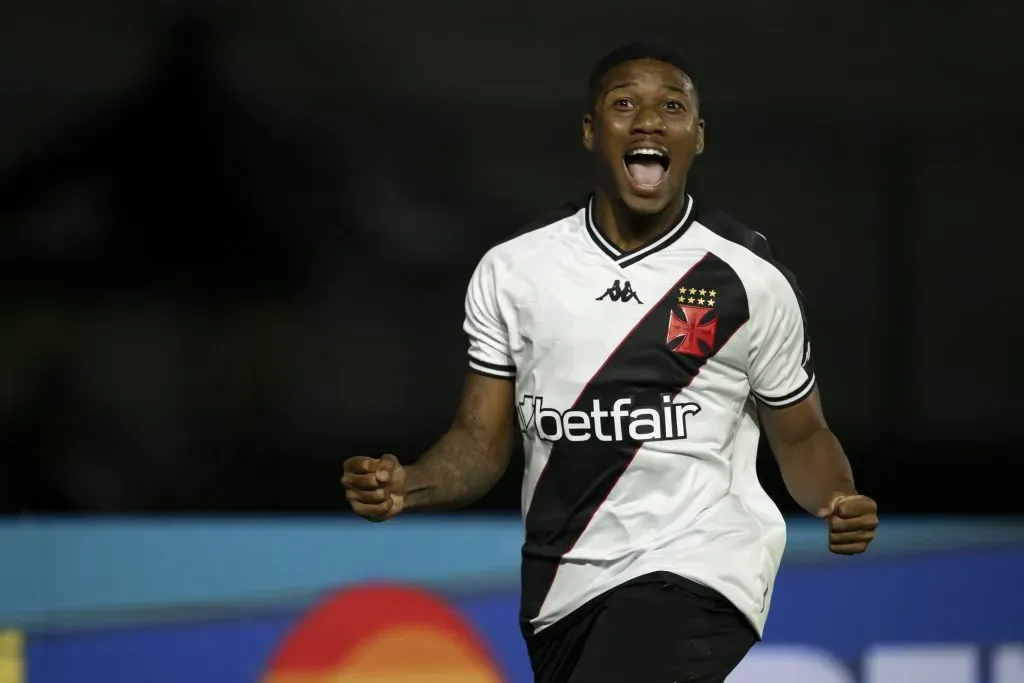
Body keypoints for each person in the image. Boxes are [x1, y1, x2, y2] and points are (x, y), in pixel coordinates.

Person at [342, 42, 878, 683]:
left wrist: (838, 496)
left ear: (698, 137)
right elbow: (481, 443)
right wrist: (410, 485)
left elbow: (801, 433)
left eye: (672, 107)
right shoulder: (516, 271)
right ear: (591, 132)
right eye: (625, 104)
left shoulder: (748, 280)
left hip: (700, 565)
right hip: (560, 588)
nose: (649, 121)